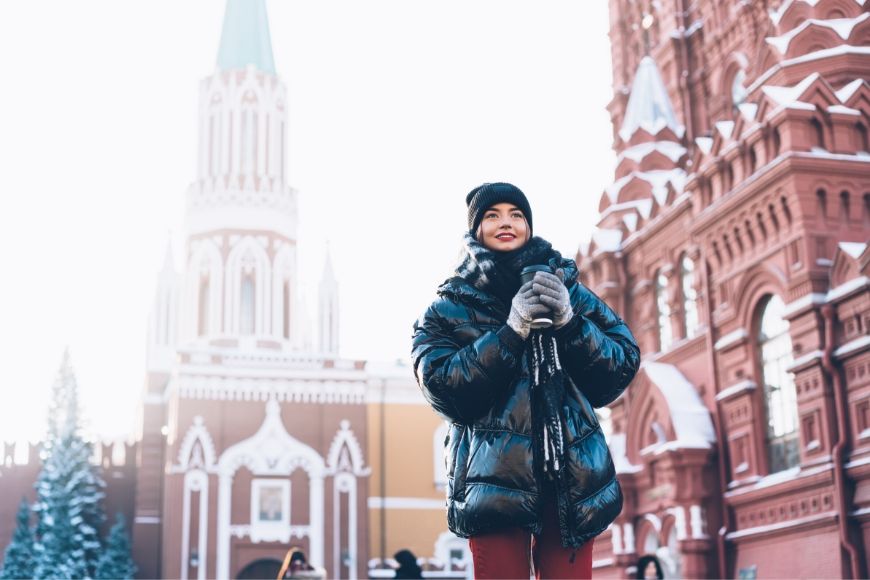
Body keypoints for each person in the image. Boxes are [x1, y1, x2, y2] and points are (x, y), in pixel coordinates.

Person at [411, 183, 640, 579]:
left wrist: (570, 323)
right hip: (493, 479)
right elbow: (444, 389)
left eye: (517, 214)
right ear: (475, 228)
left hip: (572, 477)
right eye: (493, 215)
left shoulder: (566, 288)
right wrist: (511, 330)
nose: (506, 223)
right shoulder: (448, 307)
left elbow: (619, 367)